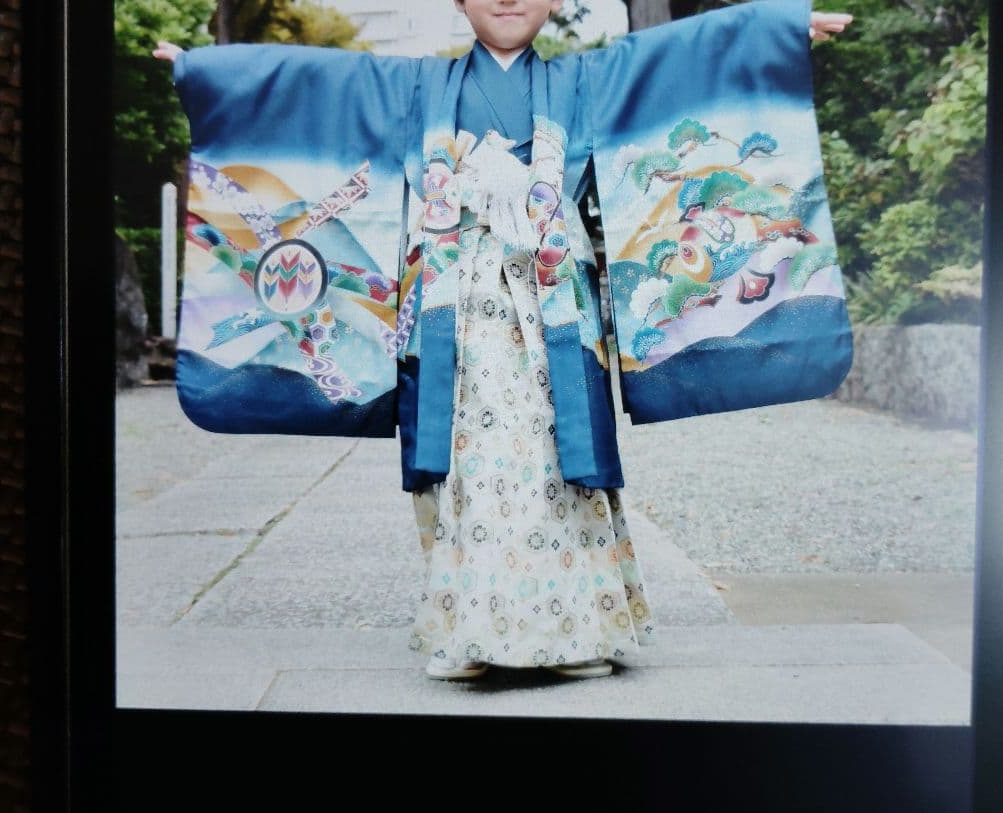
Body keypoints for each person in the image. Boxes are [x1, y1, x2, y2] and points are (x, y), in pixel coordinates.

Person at [154, 0, 853, 682]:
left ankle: (575, 627)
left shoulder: (587, 81)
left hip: (553, 303)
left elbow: (681, 59)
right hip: (450, 303)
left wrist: (777, 32)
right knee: (463, 457)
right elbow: (313, 85)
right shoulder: (413, 88)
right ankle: (469, 625)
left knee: (556, 454)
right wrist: (210, 73)